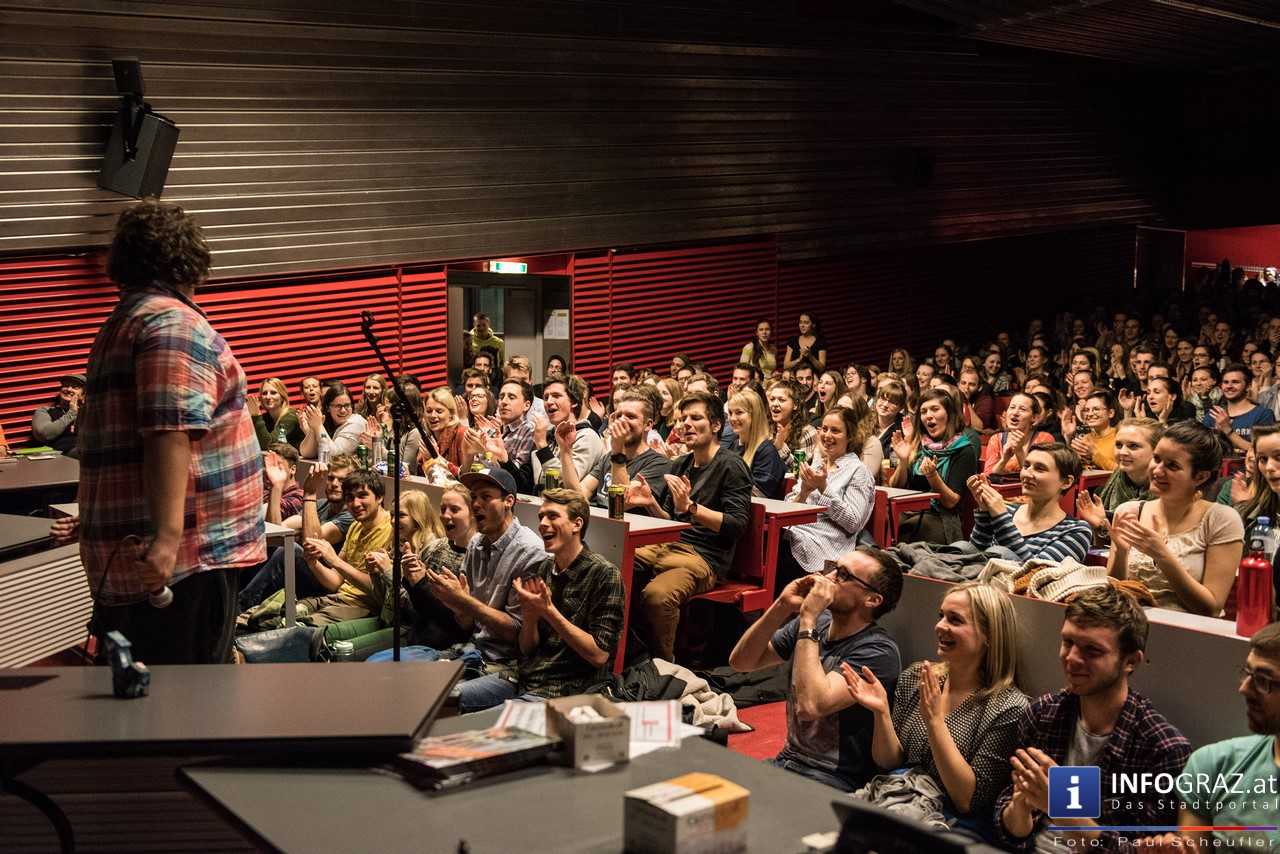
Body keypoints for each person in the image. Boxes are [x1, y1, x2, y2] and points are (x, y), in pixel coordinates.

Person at [78, 200, 264, 664]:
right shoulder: (171, 324)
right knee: (188, 697)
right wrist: (166, 539)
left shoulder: (126, 320)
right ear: (188, 259)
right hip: (184, 561)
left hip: (160, 558)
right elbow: (169, 430)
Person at [995, 585, 1190, 851]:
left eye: (1092, 650)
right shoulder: (1043, 713)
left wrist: (1059, 803)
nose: (1072, 658)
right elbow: (1009, 828)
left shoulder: (1162, 749)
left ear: (1131, 661)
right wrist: (1020, 808)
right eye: (1068, 642)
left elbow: (1142, 849)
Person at [842, 582, 1028, 830]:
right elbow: (888, 763)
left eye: (955, 620)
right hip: (894, 796)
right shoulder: (918, 676)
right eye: (941, 616)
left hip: (950, 820)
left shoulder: (1008, 707)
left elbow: (967, 801)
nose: (940, 626)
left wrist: (935, 722)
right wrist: (881, 712)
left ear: (989, 635)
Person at [728, 548, 904, 791]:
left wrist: (808, 618)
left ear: (872, 600)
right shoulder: (818, 624)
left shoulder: (878, 651)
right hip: (788, 761)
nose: (827, 577)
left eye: (843, 575)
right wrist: (781, 605)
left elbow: (811, 707)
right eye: (833, 567)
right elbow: (742, 662)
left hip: (836, 779)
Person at [460, 489, 625, 709]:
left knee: (480, 724)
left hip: (564, 690)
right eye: (541, 517)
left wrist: (549, 611)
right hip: (523, 677)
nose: (543, 524)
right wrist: (530, 616)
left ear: (577, 524)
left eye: (552, 516)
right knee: (445, 698)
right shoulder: (544, 568)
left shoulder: (604, 574)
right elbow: (527, 649)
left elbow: (599, 655)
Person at [625, 391, 752, 661]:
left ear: (716, 425)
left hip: (703, 557)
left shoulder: (731, 465)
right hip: (668, 545)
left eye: (695, 418)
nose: (686, 424)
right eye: (683, 419)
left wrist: (692, 508)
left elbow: (737, 525)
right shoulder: (681, 463)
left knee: (657, 596)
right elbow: (670, 521)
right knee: (614, 568)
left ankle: (664, 667)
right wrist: (650, 503)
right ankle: (626, 655)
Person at [1145, 623, 1280, 851]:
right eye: (1247, 673)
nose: (1244, 689)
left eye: (1263, 680)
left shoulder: (1155, 740)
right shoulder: (1213, 765)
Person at [429, 468, 547, 712]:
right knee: (405, 678)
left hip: (508, 666)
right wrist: (458, 607)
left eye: (485, 497)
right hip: (472, 652)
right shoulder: (476, 543)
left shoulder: (530, 552)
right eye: (473, 497)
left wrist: (465, 602)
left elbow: (518, 634)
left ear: (509, 501)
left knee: (435, 699)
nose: (476, 504)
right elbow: (469, 625)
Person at [1108, 421, 1244, 615]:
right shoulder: (1130, 511)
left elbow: (1211, 607)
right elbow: (1113, 596)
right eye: (1156, 459)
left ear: (1200, 477)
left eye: (1172, 466)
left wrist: (1162, 555)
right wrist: (1121, 552)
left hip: (1188, 630)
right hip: (1130, 625)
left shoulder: (1221, 519)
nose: (1157, 470)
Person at [318, 489, 446, 659]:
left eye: (401, 515)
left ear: (418, 518)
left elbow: (414, 607)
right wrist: (375, 574)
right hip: (387, 618)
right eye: (392, 515)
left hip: (411, 628)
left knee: (340, 651)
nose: (393, 521)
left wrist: (387, 571)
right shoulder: (398, 544)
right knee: (320, 637)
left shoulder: (433, 550)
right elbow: (384, 599)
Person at [367, 482, 478, 660]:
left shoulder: (477, 558)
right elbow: (414, 607)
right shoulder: (436, 547)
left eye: (454, 509)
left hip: (441, 643)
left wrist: (404, 578)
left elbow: (457, 623)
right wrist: (406, 580)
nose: (445, 515)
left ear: (473, 513)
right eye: (443, 509)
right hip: (414, 632)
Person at [237, 456, 357, 611]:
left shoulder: (351, 515)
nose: (334, 484)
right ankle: (233, 599)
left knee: (290, 551)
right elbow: (277, 532)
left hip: (324, 580)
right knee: (269, 547)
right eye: (331, 478)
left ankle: (239, 607)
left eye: (342, 480)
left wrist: (310, 494)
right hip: (306, 571)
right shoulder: (321, 505)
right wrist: (277, 486)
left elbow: (312, 543)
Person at [779, 406, 876, 580]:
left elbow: (853, 522)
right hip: (795, 531)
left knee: (776, 545)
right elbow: (788, 510)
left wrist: (823, 488)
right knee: (762, 537)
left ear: (850, 436)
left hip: (825, 542)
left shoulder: (858, 471)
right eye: (824, 429)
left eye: (835, 431)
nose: (827, 435)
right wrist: (803, 493)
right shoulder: (816, 464)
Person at [287, 469, 393, 626]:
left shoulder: (391, 529)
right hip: (337, 598)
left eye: (362, 496)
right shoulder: (356, 526)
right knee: (281, 615)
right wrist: (313, 563)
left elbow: (379, 590)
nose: (355, 503)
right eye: (350, 498)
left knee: (300, 627)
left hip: (363, 607)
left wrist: (335, 560)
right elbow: (336, 582)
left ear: (379, 497)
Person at [966, 444, 1092, 563]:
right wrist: (984, 512)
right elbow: (973, 560)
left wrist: (1000, 518)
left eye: (1040, 469)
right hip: (983, 578)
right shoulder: (1007, 511)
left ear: (1066, 482)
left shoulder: (1076, 531)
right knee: (963, 547)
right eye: (1026, 466)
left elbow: (1036, 572)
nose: (1027, 474)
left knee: (1001, 552)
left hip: (1023, 580)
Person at [890, 388, 980, 544]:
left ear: (949, 414)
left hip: (943, 519)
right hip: (909, 510)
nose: (928, 415)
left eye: (935, 409)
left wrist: (932, 476)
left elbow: (951, 502)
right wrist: (903, 461)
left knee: (908, 529)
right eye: (923, 411)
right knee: (884, 520)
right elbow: (896, 487)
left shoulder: (964, 449)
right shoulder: (918, 444)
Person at [562, 389, 670, 511]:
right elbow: (578, 495)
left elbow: (621, 505)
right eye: (618, 416)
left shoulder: (659, 463)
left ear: (648, 425)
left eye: (631, 416)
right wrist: (565, 450)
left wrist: (618, 452)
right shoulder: (609, 457)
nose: (622, 421)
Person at [532, 375, 605, 490]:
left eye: (556, 396)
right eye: (546, 397)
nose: (549, 402)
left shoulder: (587, 437)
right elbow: (539, 483)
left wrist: (542, 447)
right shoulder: (548, 435)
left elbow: (567, 486)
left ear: (574, 402)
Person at [727, 389, 787, 499]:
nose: (733, 418)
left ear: (754, 415)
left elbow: (758, 496)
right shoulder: (733, 446)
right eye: (730, 413)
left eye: (739, 412)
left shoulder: (766, 452)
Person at [1206, 363, 1275, 454]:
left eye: (1235, 382)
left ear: (1248, 386)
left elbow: (1262, 451)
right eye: (1225, 382)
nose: (1229, 386)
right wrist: (1217, 434)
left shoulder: (1263, 414)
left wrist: (1228, 430)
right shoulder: (1214, 414)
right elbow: (1202, 450)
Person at [982, 393, 1053, 475]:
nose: (1015, 413)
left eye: (1022, 409)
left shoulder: (1044, 438)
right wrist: (1004, 460)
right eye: (1012, 407)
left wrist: (1019, 451)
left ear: (1034, 417)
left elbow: (1037, 476)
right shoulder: (996, 439)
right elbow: (988, 475)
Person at [299, 381, 367, 459]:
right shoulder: (327, 421)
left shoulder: (356, 423)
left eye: (347, 405)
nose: (343, 410)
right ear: (328, 408)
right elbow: (306, 453)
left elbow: (334, 455)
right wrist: (312, 430)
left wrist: (318, 426)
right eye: (338, 406)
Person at [768, 380, 818, 470]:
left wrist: (781, 447)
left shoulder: (807, 432)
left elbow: (799, 470)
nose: (775, 404)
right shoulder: (767, 430)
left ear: (795, 405)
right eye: (772, 399)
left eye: (781, 400)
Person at [1063, 390, 1118, 471]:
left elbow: (1123, 472)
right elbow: (1069, 467)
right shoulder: (1085, 438)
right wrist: (1068, 437)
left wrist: (1094, 454)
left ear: (1110, 413)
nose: (1090, 414)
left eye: (1096, 409)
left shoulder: (1119, 437)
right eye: (1086, 410)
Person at [31, 372, 84, 454]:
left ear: (83, 394)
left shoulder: (89, 412)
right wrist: (71, 414)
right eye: (66, 386)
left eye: (75, 387)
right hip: (61, 456)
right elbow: (44, 435)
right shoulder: (45, 411)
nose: (69, 389)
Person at [248, 377, 304, 450]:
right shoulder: (265, 418)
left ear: (282, 396)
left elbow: (270, 445)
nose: (268, 397)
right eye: (264, 393)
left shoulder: (291, 417)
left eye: (273, 393)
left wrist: (256, 416)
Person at [873, 379, 907, 466]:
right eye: (883, 399)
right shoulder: (865, 422)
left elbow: (895, 464)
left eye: (892, 402)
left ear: (900, 408)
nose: (885, 405)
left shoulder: (903, 430)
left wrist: (874, 464)